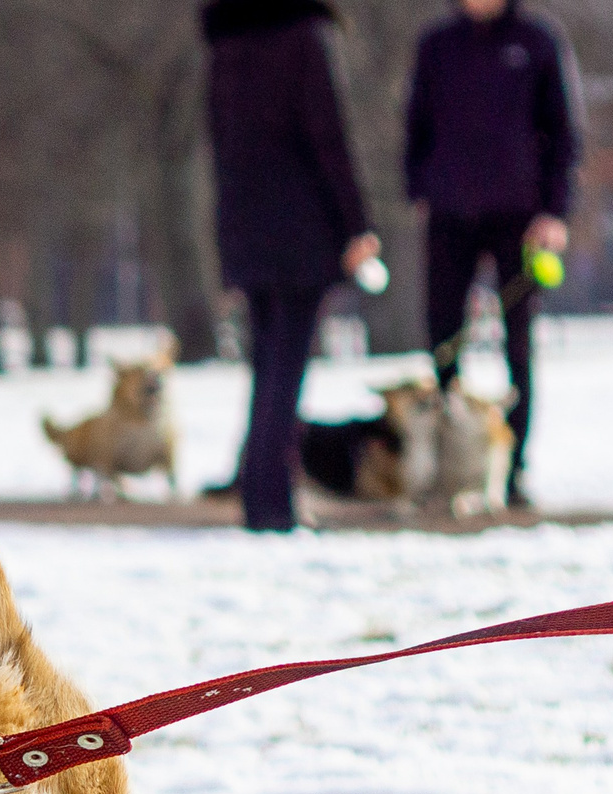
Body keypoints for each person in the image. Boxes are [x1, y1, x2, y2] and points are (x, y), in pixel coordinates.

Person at [203, 0, 380, 534]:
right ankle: (273, 505)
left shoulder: (224, 45)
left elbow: (220, 146)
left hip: (246, 225)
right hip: (302, 225)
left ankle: (261, 496)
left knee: (266, 367)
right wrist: (356, 224)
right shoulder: (306, 38)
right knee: (286, 370)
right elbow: (328, 136)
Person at [405, 0, 579, 510]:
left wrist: (555, 211)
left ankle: (513, 466)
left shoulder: (537, 40)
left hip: (519, 215)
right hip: (449, 213)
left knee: (518, 343)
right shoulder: (436, 44)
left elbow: (565, 134)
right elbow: (416, 125)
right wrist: (420, 188)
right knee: (442, 337)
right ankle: (442, 464)